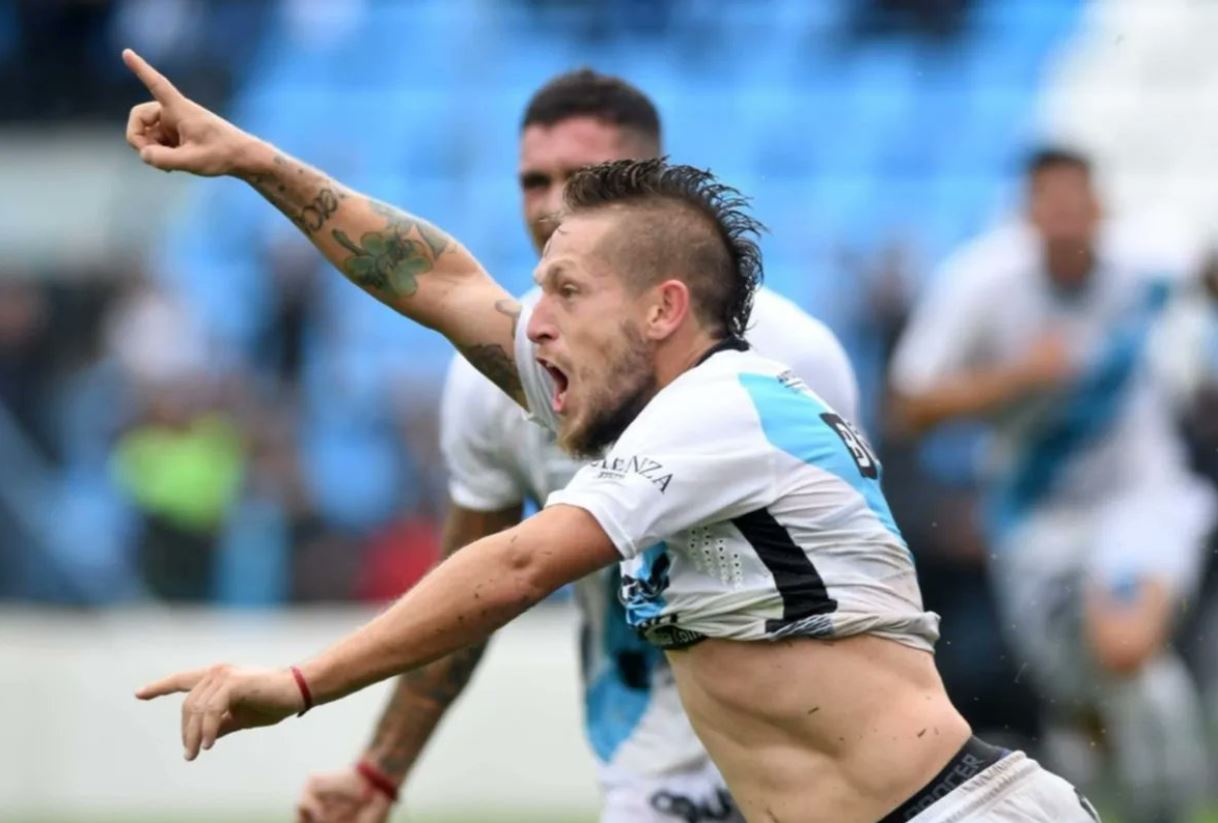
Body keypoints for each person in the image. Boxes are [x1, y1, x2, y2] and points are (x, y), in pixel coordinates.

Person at [123, 49, 1096, 822]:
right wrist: (252, 160)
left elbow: (516, 566)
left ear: (663, 309)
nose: (535, 319)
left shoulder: (725, 405)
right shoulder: (644, 393)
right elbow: (442, 283)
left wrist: (298, 682)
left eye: (567, 291)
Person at [295, 69, 860, 823]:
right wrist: (380, 770)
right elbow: (474, 588)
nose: (551, 205)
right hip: (648, 760)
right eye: (533, 180)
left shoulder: (793, 358)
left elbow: (855, 581)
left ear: (648, 187)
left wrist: (298, 683)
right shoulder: (494, 383)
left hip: (799, 746)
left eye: (581, 178)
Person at [888, 147, 1218, 823]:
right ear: (1028, 217)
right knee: (1084, 696)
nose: (1068, 223)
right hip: (1034, 517)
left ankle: (1172, 796)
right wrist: (1017, 377)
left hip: (1142, 493)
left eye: (1079, 207)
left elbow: (1202, 260)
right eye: (1051, 209)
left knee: (1124, 645)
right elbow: (907, 407)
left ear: (1101, 208)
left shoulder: (1146, 257)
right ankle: (1125, 763)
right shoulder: (979, 284)